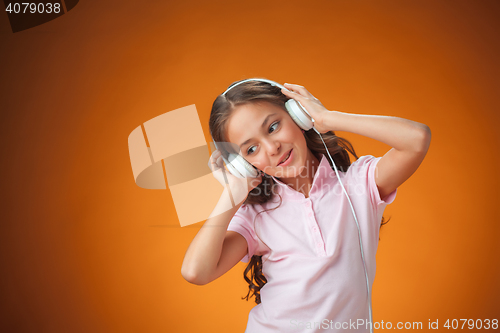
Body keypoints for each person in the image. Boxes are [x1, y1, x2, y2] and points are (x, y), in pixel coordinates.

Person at [181, 78, 431, 332]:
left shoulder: (358, 184)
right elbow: (196, 272)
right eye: (252, 149)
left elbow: (417, 139)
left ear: (298, 116)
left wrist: (327, 117)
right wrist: (232, 194)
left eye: (273, 126)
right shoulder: (255, 217)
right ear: (244, 165)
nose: (272, 147)